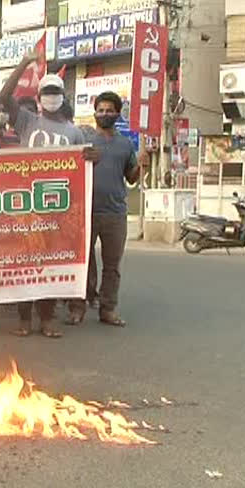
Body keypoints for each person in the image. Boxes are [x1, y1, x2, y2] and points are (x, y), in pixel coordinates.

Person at [0, 53, 100, 339]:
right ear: (39, 95)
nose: (51, 96)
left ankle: (46, 319)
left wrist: (95, 156)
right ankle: (23, 320)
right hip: (27, 205)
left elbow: (85, 168)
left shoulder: (74, 132)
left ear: (63, 96)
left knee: (49, 266)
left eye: (56, 91)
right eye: (47, 92)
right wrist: (22, 65)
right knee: (24, 264)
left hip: (57, 208)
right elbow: (5, 97)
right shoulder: (27, 121)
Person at [66, 91, 141, 328]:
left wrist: (142, 166)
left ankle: (108, 309)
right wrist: (84, 158)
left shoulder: (125, 144)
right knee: (83, 264)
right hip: (85, 212)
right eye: (101, 110)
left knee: (112, 266)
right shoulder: (84, 139)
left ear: (118, 113)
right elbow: (69, 167)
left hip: (115, 213)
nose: (105, 114)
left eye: (110, 110)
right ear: (94, 112)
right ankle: (77, 308)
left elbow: (131, 178)